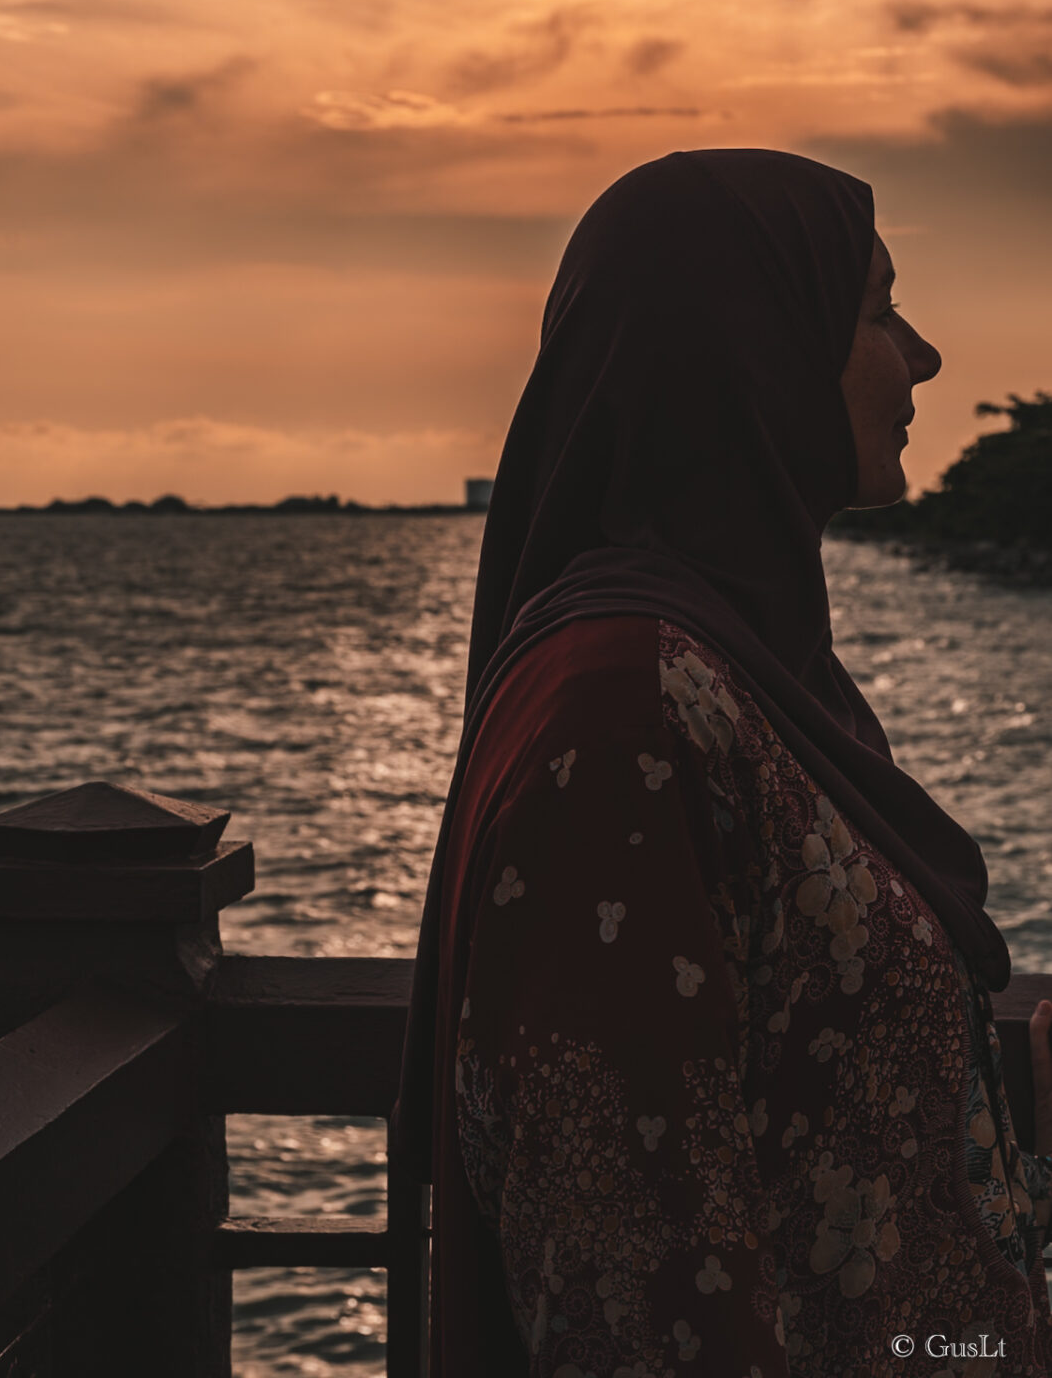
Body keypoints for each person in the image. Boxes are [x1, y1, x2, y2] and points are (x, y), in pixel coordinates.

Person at [393, 148, 1052, 1376]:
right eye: (875, 309)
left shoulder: (751, 671)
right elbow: (632, 1292)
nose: (924, 354)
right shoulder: (625, 712)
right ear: (750, 347)